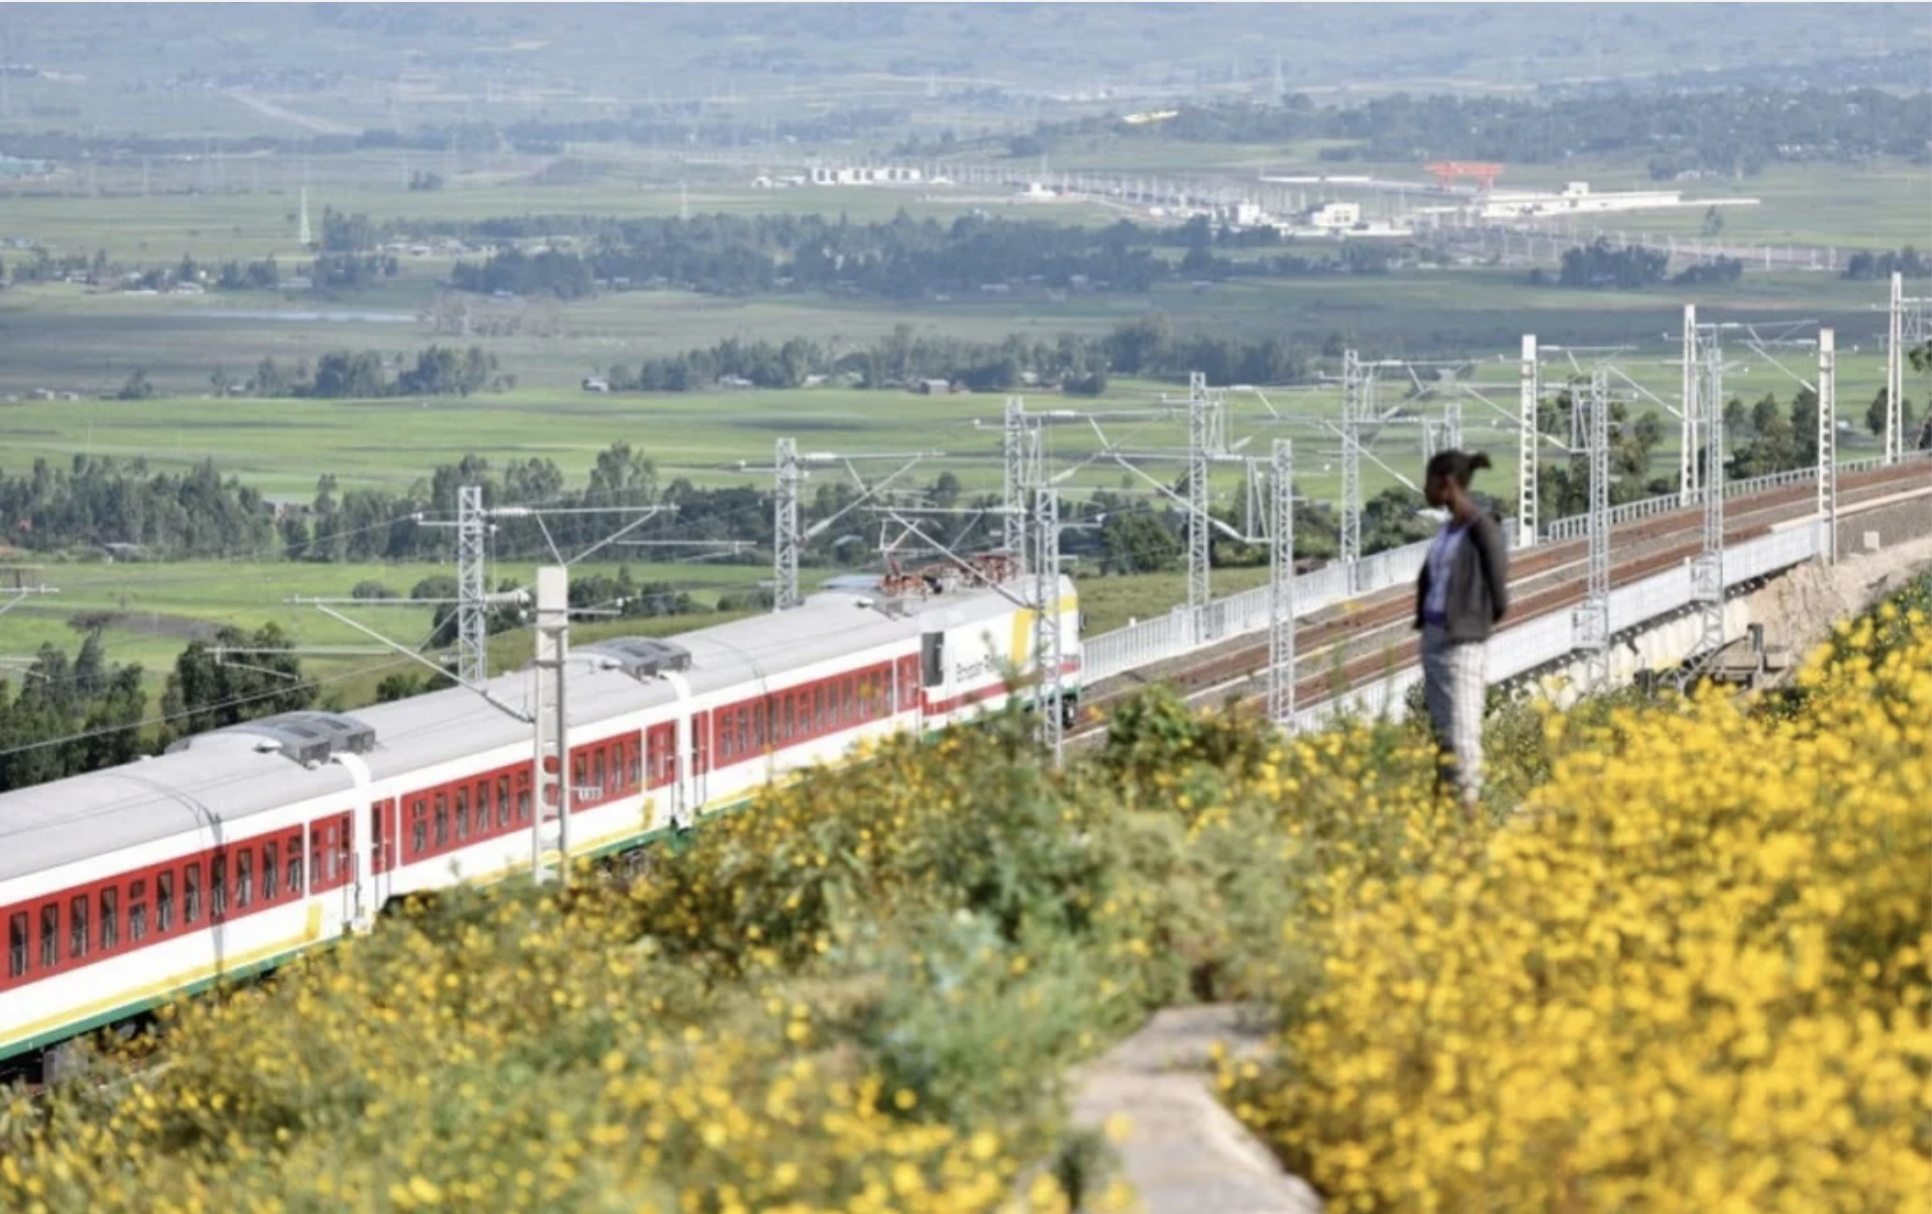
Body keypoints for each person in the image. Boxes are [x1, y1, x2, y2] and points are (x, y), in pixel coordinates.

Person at [1414, 450, 1510, 815]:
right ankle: (1446, 810)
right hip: (1436, 639)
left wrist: (1470, 624)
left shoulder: (1483, 527)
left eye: (1428, 480)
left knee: (1463, 729)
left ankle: (1469, 812)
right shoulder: (1449, 529)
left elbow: (1498, 593)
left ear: (1446, 483)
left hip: (1462, 642)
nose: (1424, 489)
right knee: (1444, 732)